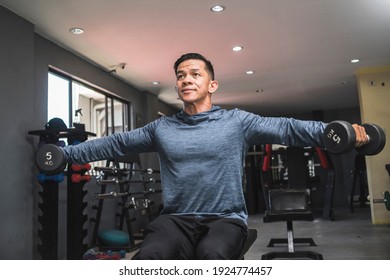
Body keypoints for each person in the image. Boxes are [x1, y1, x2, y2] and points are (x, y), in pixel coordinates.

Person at [62, 52, 368, 259]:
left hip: (224, 219)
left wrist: (335, 132)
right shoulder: (161, 128)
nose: (185, 79)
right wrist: (66, 154)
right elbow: (114, 144)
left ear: (212, 85)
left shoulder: (237, 122)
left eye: (195, 74)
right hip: (175, 219)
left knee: (213, 256)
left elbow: (287, 129)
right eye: (180, 75)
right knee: (151, 256)